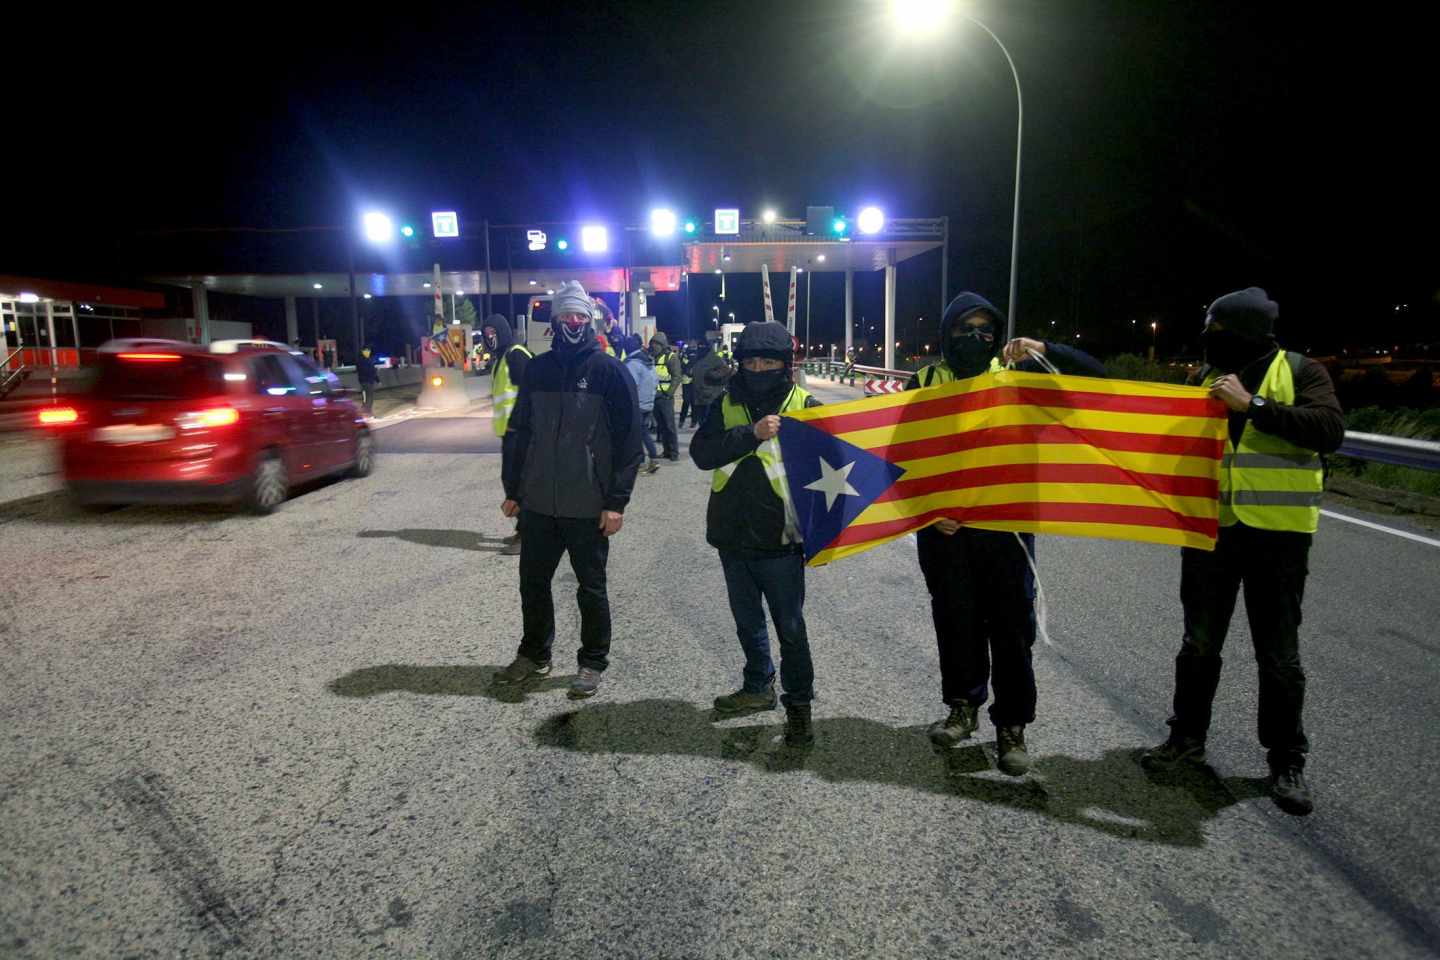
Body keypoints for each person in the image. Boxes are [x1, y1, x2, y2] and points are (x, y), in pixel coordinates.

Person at [1140, 287, 1343, 816]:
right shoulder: (1204, 382)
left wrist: (1252, 406)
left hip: (1278, 536)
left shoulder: (1299, 372)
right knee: (1198, 644)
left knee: (1277, 655)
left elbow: (1330, 429)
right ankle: (1185, 739)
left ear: (1246, 331)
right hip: (1212, 533)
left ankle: (1286, 760)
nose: (1209, 341)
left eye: (1217, 331)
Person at [911, 292, 1104, 775]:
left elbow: (1100, 385)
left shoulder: (1020, 377)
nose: (976, 339)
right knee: (955, 623)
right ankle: (962, 707)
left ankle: (1012, 726)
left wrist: (1048, 349)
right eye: (966, 329)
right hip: (945, 531)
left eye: (986, 330)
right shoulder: (924, 381)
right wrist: (928, 510)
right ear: (948, 331)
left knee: (1012, 631)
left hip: (1007, 530)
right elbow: (899, 455)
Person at [496, 280, 643, 699]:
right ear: (555, 320)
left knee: (590, 588)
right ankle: (534, 654)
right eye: (565, 316)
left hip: (588, 504)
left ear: (590, 319)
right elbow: (518, 432)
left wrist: (617, 501)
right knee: (533, 583)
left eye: (580, 315)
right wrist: (514, 489)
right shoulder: (538, 370)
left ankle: (592, 661)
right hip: (539, 503)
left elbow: (629, 442)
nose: (573, 322)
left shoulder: (609, 372)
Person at [690, 321, 822, 747]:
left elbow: (837, 470)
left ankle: (799, 708)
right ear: (740, 363)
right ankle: (757, 686)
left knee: (790, 629)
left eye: (769, 361)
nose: (759, 368)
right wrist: (751, 434)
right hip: (731, 536)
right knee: (747, 623)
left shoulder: (806, 404)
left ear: (785, 365)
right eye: (751, 361)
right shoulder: (725, 403)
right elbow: (701, 453)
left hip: (782, 541)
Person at [484, 314, 534, 556]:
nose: (489, 337)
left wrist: (520, 422)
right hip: (509, 432)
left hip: (521, 433)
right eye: (486, 334)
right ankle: (523, 529)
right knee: (511, 482)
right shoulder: (501, 357)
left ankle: (527, 535)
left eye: (493, 332)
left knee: (519, 483)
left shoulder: (516, 354)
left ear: (503, 331)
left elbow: (531, 392)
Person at [622, 333, 662, 475]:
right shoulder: (648, 361)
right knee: (642, 433)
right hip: (647, 403)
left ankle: (645, 461)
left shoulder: (633, 363)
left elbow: (629, 386)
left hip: (636, 404)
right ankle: (649, 460)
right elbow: (655, 381)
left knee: (636, 434)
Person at [688, 338, 731, 434]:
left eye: (702, 347)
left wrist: (713, 375)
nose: (700, 349)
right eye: (699, 347)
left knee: (710, 426)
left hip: (711, 396)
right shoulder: (697, 358)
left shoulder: (714, 358)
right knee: (703, 426)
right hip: (699, 397)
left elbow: (726, 370)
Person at [650, 331, 680, 461]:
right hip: (655, 396)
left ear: (662, 345)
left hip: (665, 397)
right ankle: (666, 450)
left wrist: (669, 393)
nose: (653, 347)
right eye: (652, 344)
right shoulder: (652, 358)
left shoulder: (671, 357)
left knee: (669, 426)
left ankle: (674, 452)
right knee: (661, 426)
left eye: (656, 344)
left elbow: (677, 376)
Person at [678, 344, 698, 429]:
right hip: (686, 380)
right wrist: (687, 371)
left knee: (693, 402)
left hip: (694, 381)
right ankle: (682, 420)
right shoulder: (685, 354)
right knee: (686, 401)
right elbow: (683, 365)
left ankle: (694, 421)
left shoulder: (698, 353)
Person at [356, 345, 379, 416]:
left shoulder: (359, 360)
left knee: (365, 397)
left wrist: (377, 379)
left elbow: (359, 370)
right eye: (367, 351)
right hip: (368, 381)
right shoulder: (368, 360)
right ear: (363, 351)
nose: (368, 352)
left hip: (362, 381)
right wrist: (376, 374)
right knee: (369, 397)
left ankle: (364, 412)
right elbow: (371, 371)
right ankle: (368, 413)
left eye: (369, 351)